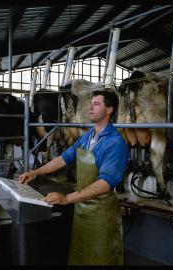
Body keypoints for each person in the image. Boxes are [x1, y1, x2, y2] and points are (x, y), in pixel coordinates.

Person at [19, 90, 128, 265]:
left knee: (101, 258)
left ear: (109, 110)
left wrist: (67, 198)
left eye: (96, 104)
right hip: (82, 210)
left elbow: (105, 183)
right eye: (91, 103)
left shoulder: (115, 143)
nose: (90, 107)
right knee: (80, 256)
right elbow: (63, 158)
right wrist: (36, 172)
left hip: (102, 215)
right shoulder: (88, 137)